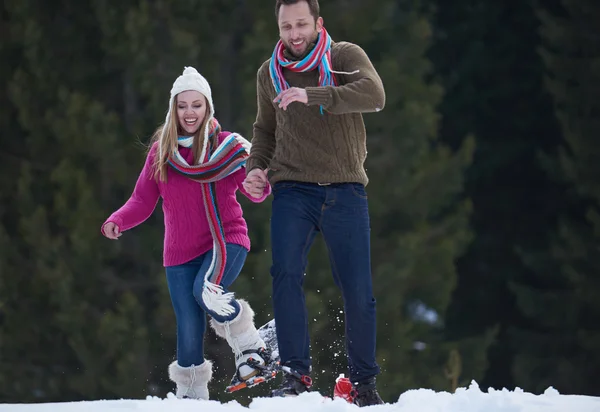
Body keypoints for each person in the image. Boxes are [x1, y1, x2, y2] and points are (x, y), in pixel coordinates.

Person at [242, 0, 386, 406]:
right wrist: (256, 169)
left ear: (318, 23)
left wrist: (313, 94)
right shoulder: (268, 74)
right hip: (293, 188)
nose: (294, 34)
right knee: (285, 274)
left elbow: (375, 95)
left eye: (301, 24)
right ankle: (294, 374)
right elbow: (264, 131)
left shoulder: (344, 55)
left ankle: (363, 383)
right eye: (286, 26)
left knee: (358, 290)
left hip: (345, 188)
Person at [102, 67, 272, 400]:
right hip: (179, 253)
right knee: (189, 328)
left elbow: (253, 186)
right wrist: (118, 220)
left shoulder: (227, 146)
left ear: (207, 107)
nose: (189, 112)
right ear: (173, 109)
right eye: (182, 106)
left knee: (206, 291)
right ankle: (192, 397)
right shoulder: (162, 152)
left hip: (226, 240)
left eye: (196, 105)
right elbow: (142, 199)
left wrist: (259, 186)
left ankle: (252, 348)